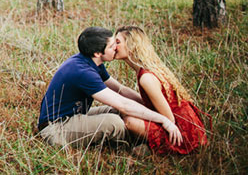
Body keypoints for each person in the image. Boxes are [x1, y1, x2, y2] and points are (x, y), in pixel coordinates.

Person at [37, 26, 182, 149]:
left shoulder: (93, 62)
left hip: (76, 115)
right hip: (56, 127)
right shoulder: (83, 72)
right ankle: (145, 145)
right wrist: (164, 120)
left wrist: (149, 106)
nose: (116, 48)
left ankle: (146, 136)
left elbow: (120, 90)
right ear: (98, 53)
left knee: (116, 112)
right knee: (115, 122)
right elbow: (124, 105)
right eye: (112, 46)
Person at [114, 26, 208, 154]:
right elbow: (144, 102)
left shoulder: (146, 78)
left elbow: (169, 118)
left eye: (118, 42)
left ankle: (159, 148)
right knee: (129, 111)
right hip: (188, 127)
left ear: (131, 46)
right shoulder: (144, 69)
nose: (113, 46)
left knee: (129, 120)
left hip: (183, 132)